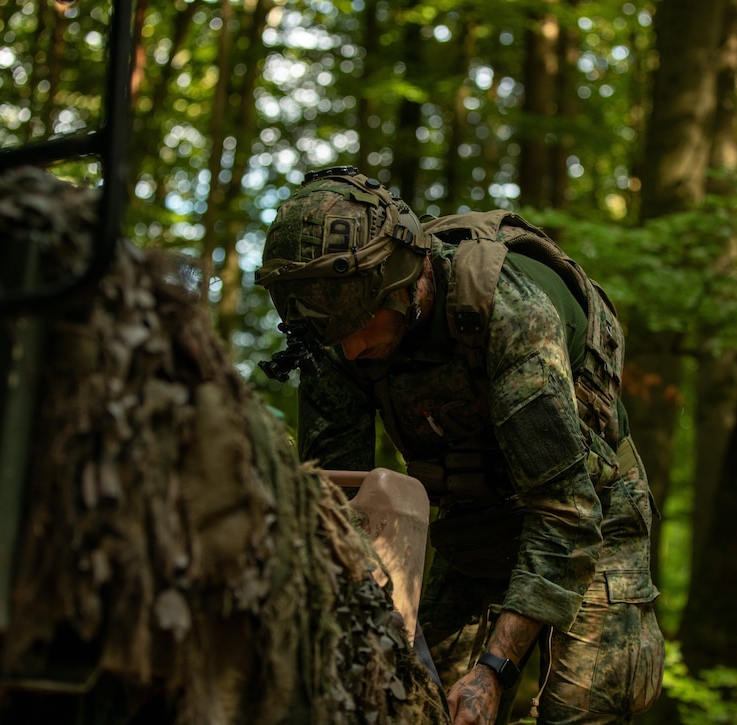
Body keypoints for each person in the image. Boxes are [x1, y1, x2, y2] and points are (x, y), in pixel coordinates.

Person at [257, 166, 664, 725]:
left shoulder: (507, 310)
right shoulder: (334, 337)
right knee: (413, 699)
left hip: (591, 516)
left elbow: (566, 510)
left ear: (403, 284)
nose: (349, 350)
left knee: (578, 713)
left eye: (359, 326)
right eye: (333, 335)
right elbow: (336, 509)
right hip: (472, 524)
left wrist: (494, 669)